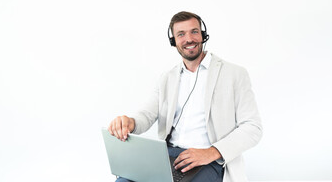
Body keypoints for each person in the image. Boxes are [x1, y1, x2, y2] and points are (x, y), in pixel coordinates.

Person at [108, 11, 262, 182]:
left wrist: (211, 152)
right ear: (173, 41)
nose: (189, 39)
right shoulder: (167, 77)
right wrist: (130, 122)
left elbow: (253, 127)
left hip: (208, 160)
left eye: (194, 32)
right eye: (181, 34)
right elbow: (147, 114)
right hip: (167, 156)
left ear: (203, 35)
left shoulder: (234, 73)